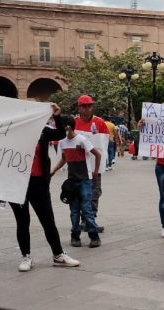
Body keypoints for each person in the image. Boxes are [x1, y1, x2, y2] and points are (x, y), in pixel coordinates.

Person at [11, 104, 80, 272]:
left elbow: (60, 133)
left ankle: (58, 255)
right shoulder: (11, 133)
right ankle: (26, 256)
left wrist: (57, 116)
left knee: (48, 220)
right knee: (22, 221)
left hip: (38, 183)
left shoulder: (43, 131)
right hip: (17, 183)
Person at [51, 116, 102, 248]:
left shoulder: (82, 140)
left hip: (85, 180)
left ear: (69, 126)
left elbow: (97, 154)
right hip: (72, 181)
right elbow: (64, 159)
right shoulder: (62, 142)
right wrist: (54, 170)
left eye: (63, 126)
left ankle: (94, 236)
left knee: (86, 209)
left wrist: (96, 171)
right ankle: (75, 236)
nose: (61, 129)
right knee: (74, 211)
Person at [74, 95, 108, 231]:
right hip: (79, 166)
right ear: (79, 107)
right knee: (81, 193)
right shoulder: (74, 122)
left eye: (89, 106)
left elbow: (104, 145)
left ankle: (91, 219)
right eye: (84, 106)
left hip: (94, 165)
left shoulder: (100, 122)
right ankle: (84, 220)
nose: (87, 109)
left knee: (95, 192)